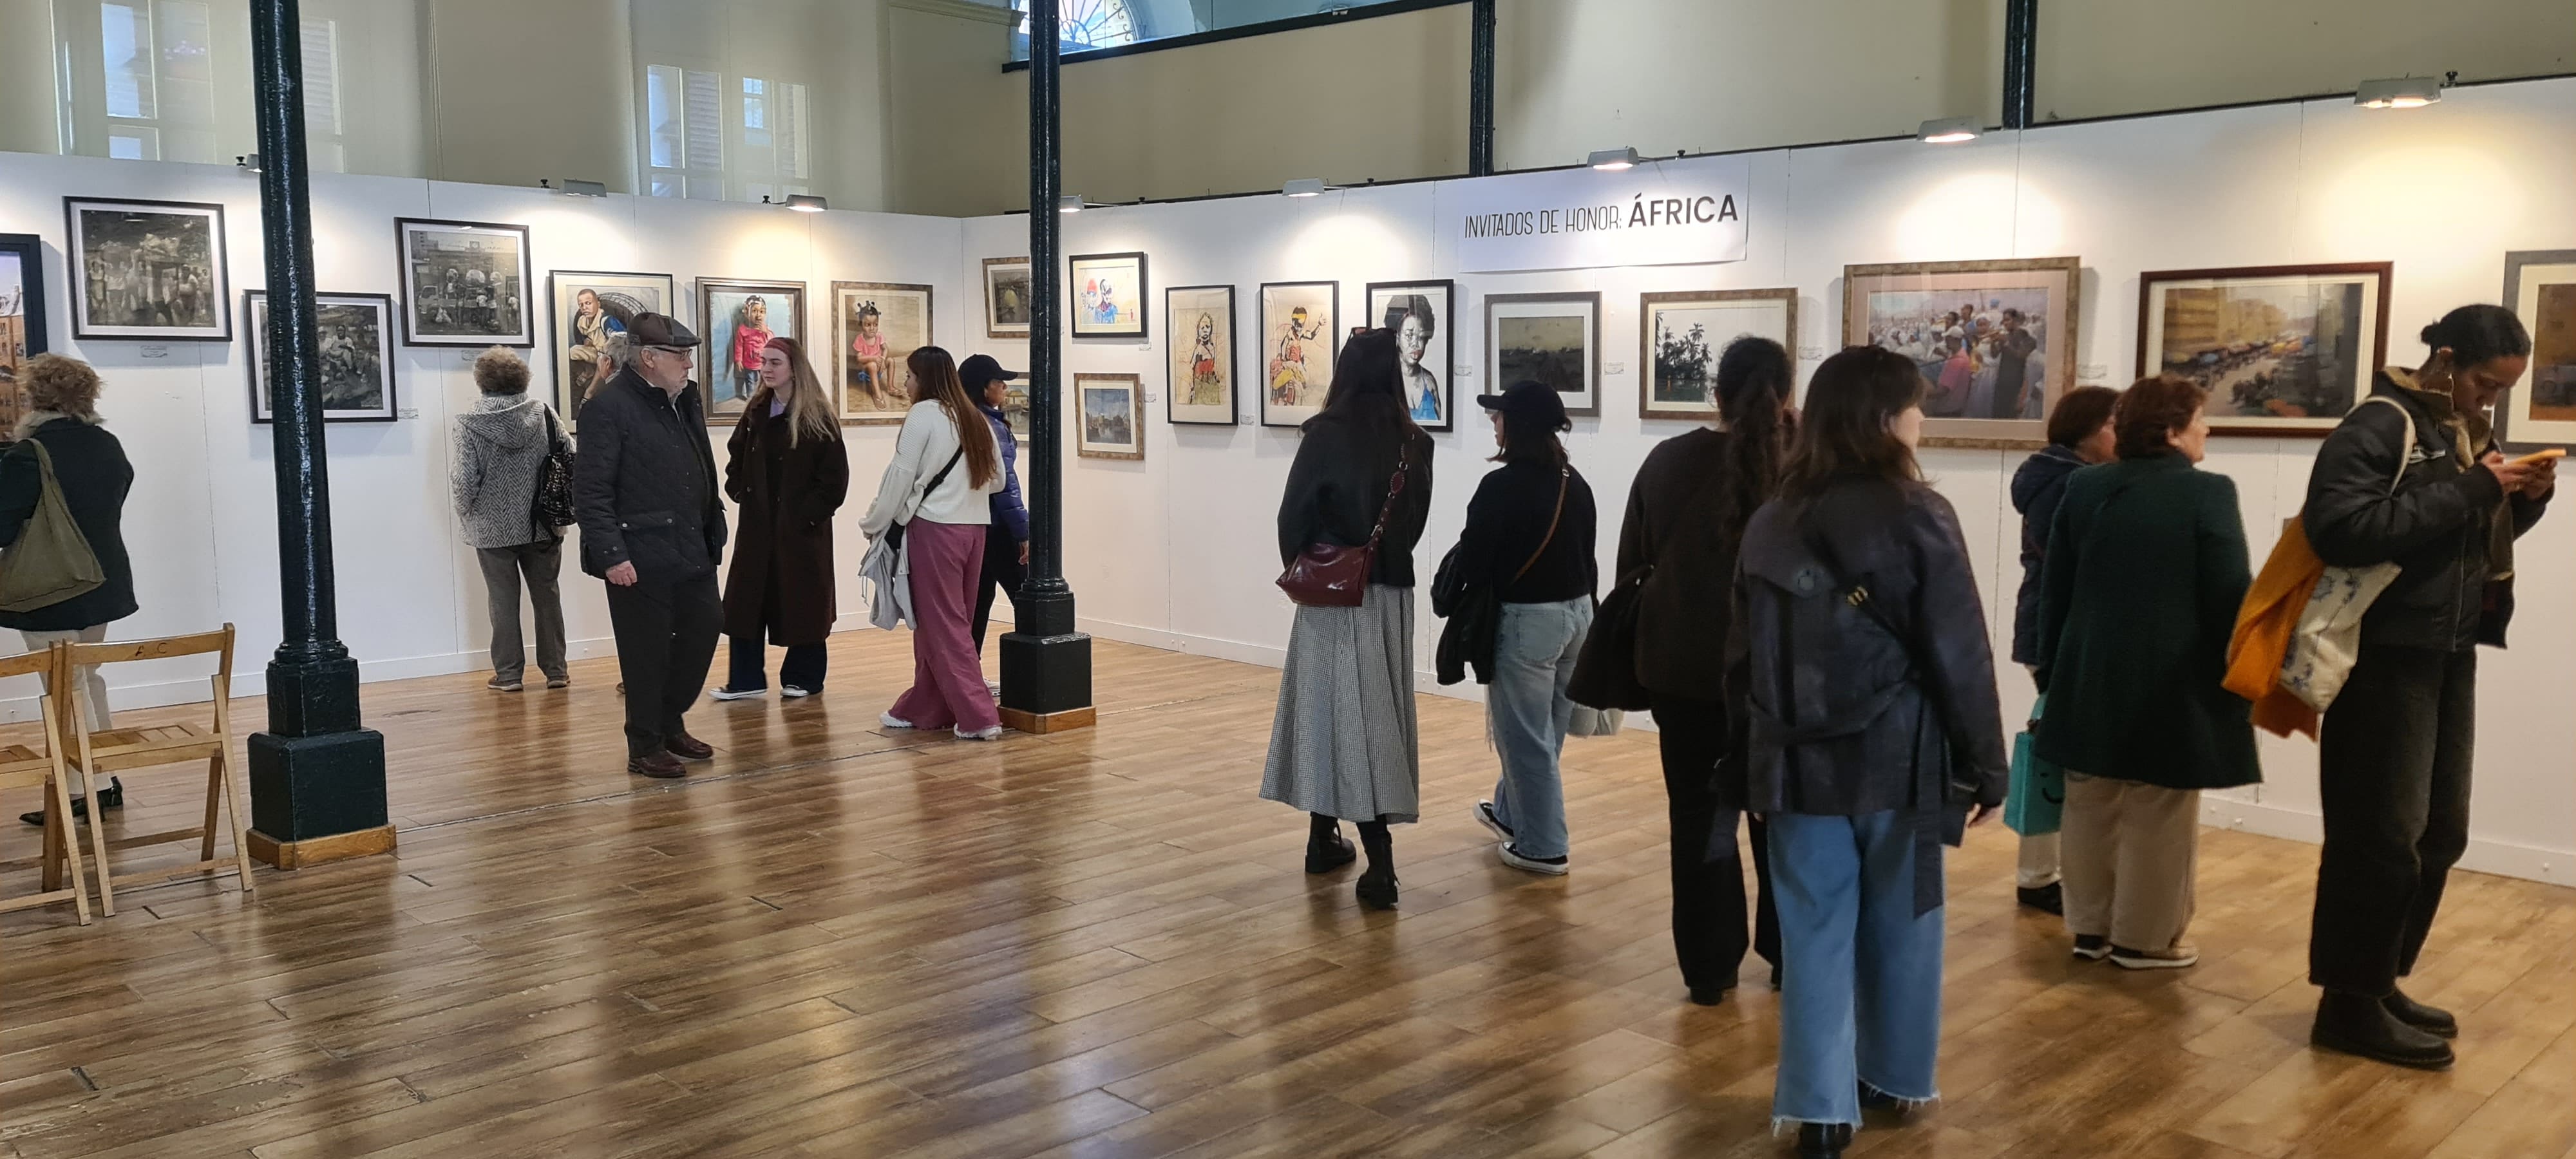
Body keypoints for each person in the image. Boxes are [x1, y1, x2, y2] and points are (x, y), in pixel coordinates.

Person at [1728, 345, 2007, 1159]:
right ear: (1885, 417)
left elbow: (1739, 658)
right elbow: (1959, 649)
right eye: (1915, 405)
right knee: (1904, 921)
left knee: (1812, 931)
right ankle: (1889, 1075)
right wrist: (1986, 762)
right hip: (1900, 756)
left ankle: (1819, 1113)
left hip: (1791, 761)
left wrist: (1744, 760)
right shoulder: (1920, 512)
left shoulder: (1771, 517)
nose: (1923, 419)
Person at [2302, 305, 2554, 1070]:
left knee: (2438, 834)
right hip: (2382, 657)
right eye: (2483, 383)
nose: (2489, 401)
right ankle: (2346, 1004)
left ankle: (2378, 984)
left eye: (2501, 390)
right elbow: (2340, 529)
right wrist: (2477, 489)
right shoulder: (2380, 424)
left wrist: (2521, 498)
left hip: (2447, 650)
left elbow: (2451, 535)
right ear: (2444, 359)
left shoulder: (2461, 428)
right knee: (2379, 838)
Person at [2033, 375, 2257, 971]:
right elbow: (2230, 594)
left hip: (2087, 668)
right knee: (2159, 808)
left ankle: (2088, 929)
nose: (2207, 430)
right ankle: (2144, 940)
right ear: (2172, 431)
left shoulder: (2084, 487)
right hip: (2172, 676)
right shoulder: (2207, 493)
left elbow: (2056, 588)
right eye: (2200, 420)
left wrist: (2049, 669)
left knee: (2089, 801)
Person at [1613, 335, 1794, 1003]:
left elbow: (1633, 564)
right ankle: (1788, 953)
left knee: (1700, 816)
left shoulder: (1666, 462)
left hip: (1683, 672)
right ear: (1787, 396)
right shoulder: (1802, 469)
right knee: (1783, 817)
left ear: (1713, 395)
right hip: (1780, 679)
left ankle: (1710, 968)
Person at [1264, 329, 1434, 910]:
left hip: (1332, 593)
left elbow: (1293, 516)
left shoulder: (1324, 435)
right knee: (1372, 715)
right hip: (1389, 593)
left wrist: (1311, 563)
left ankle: (1380, 864)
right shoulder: (1415, 441)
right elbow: (1412, 524)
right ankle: (1322, 839)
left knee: (1333, 715)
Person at [1453, 381, 1596, 876]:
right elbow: (1588, 558)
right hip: (1578, 616)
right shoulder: (1573, 482)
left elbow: (1475, 558)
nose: (1495, 424)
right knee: (1544, 734)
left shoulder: (1502, 486)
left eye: (1500, 417)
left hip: (1529, 624)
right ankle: (1513, 814)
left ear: (1518, 426)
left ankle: (1544, 846)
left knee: (1526, 738)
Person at [573, 315, 726, 779]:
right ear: (649, 358)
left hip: (691, 544)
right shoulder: (608, 408)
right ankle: (644, 744)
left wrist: (712, 521)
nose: (688, 364)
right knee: (646, 653)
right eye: (680, 356)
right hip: (638, 552)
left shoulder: (682, 401)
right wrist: (612, 555)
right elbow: (591, 492)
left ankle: (668, 722)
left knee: (704, 630)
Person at [3, 355, 137, 827]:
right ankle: (106, 778)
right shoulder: (106, 444)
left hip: (51, 587)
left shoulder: (28, 454)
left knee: (65, 687)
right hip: (101, 582)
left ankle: (87, 789)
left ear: (34, 396)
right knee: (87, 676)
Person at [2003, 384, 2120, 914]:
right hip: (2060, 635)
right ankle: (2044, 876)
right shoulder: (2069, 487)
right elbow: (2079, 565)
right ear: (2095, 431)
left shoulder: (2055, 479)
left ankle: (2046, 874)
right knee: (2061, 758)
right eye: (2118, 424)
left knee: (2055, 750)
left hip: (2051, 632)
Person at [858, 346, 1007, 740]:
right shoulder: (974, 417)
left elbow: (900, 476)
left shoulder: (923, 415)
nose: (904, 383)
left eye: (908, 376)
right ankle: (923, 706)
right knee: (941, 622)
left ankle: (980, 716)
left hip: (935, 530)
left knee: (944, 624)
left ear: (924, 379)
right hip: (975, 530)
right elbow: (998, 481)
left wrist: (873, 521)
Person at [710, 335, 848, 702]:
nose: (766, 369)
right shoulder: (756, 411)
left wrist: (805, 517)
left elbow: (834, 480)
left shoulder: (818, 417)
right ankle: (745, 678)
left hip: (802, 533)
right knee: (745, 602)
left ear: (794, 368)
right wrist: (739, 490)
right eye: (763, 361)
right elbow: (735, 456)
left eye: (774, 363)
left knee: (804, 601)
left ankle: (805, 677)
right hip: (757, 528)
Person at [451, 347, 571, 695]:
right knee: (547, 596)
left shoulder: (469, 423)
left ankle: (508, 675)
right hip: (543, 522)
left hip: (492, 528)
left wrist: (468, 512)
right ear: (522, 379)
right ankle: (556, 671)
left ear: (482, 382)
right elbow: (569, 456)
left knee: (502, 600)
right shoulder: (545, 414)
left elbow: (463, 481)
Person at [963, 355, 1030, 661]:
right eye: (998, 382)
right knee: (1029, 598)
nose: (1004, 387)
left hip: (973, 525)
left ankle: (967, 675)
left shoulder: (964, 420)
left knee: (977, 602)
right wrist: (1023, 532)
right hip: (998, 527)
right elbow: (1007, 486)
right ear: (983, 388)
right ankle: (1034, 672)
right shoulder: (989, 425)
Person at [1388, 296, 1441, 424]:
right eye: (1409, 336)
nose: (1416, 344)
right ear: (1397, 337)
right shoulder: (1387, 380)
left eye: (1421, 337)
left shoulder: (1429, 382)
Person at [725, 296, 772, 404]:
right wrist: (738, 360)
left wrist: (766, 332)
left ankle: (765, 398)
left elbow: (772, 341)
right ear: (747, 313)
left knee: (764, 381)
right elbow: (739, 346)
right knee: (750, 381)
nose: (759, 315)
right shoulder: (743, 330)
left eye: (762, 312)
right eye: (755, 311)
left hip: (763, 363)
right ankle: (752, 399)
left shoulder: (765, 329)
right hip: (749, 363)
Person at [849, 301, 891, 410]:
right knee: (872, 365)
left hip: (879, 365)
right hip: (866, 368)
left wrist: (883, 359)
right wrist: (874, 358)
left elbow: (886, 349)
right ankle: (878, 395)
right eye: (868, 325)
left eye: (875, 325)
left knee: (891, 361)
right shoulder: (860, 339)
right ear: (861, 325)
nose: (872, 328)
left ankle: (891, 387)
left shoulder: (879, 336)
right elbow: (859, 358)